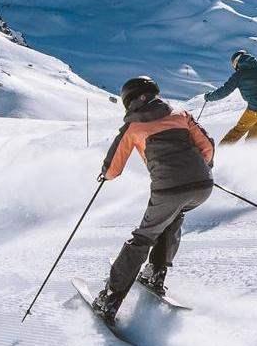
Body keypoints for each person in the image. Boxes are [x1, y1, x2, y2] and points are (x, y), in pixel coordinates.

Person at [91, 75, 216, 322]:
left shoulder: (133, 127)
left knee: (143, 238)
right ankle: (155, 273)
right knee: (172, 217)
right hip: (203, 186)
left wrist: (104, 174)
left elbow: (113, 169)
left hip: (169, 190)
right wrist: (200, 168)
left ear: (128, 101)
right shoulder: (181, 114)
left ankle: (110, 299)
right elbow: (207, 147)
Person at [201, 50, 257, 145]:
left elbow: (224, 91)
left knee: (239, 130)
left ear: (236, 63)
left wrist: (209, 97)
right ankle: (249, 150)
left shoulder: (240, 75)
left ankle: (221, 152)